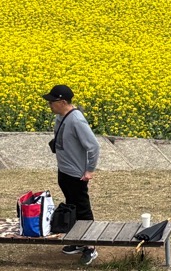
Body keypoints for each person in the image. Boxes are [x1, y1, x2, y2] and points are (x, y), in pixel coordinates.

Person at [43, 84, 100, 266]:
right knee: (72, 206)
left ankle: (91, 247)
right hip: (64, 171)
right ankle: (79, 240)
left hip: (76, 174)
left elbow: (93, 146)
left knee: (82, 208)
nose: (49, 105)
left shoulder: (76, 120)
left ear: (62, 102)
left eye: (52, 102)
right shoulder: (60, 117)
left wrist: (89, 170)